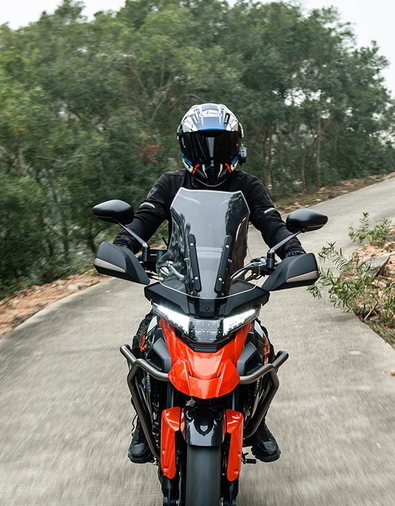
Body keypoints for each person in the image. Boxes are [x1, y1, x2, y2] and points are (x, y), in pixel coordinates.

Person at [114, 102, 305, 465]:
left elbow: (272, 225)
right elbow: (144, 219)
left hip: (231, 285)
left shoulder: (247, 185)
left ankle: (256, 421)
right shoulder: (171, 183)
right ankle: (144, 421)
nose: (212, 154)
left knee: (260, 344)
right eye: (202, 144)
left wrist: (293, 252)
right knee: (145, 339)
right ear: (186, 146)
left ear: (236, 146)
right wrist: (124, 245)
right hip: (179, 282)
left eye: (221, 143)